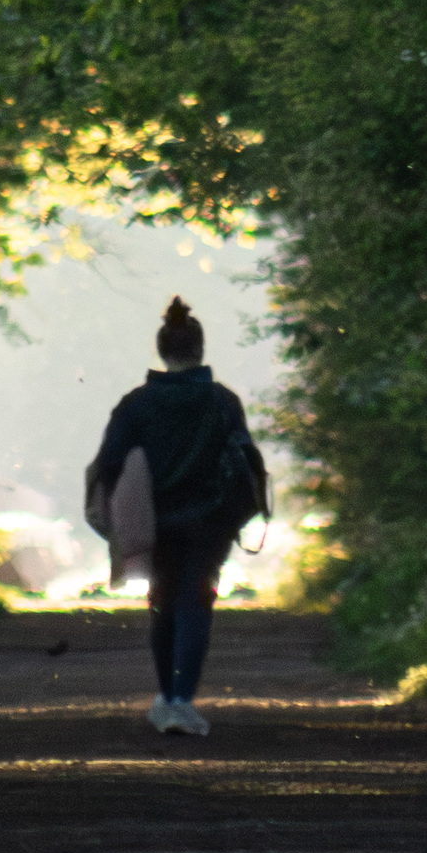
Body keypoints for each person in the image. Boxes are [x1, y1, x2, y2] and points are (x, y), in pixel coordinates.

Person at [85, 294, 269, 737]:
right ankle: (182, 700)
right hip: (211, 519)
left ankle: (167, 697)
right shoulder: (222, 402)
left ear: (164, 351)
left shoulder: (138, 404)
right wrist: (251, 510)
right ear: (200, 350)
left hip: (156, 521)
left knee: (163, 604)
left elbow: (109, 462)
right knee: (195, 601)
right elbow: (248, 459)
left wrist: (110, 514)